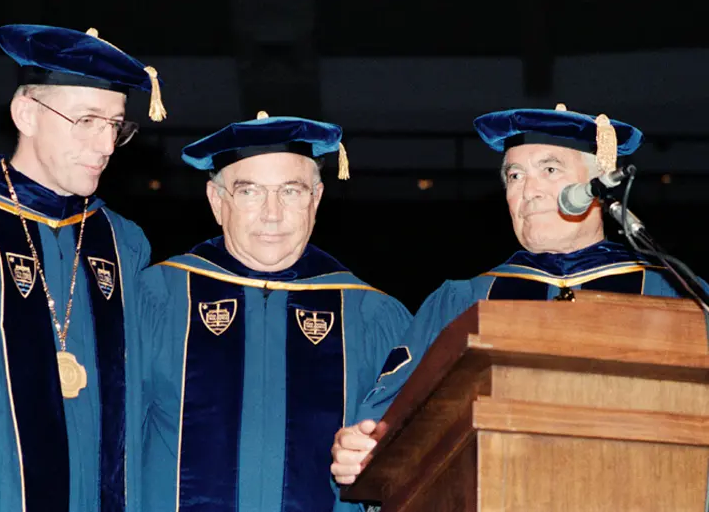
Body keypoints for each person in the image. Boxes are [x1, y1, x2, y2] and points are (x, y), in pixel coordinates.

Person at [329, 103, 709, 498]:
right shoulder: (463, 302)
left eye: (550, 170)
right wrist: (360, 446)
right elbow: (385, 423)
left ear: (597, 189)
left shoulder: (675, 293)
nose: (529, 190)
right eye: (514, 175)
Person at [0, 24, 166, 512]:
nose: (106, 146)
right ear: (26, 113)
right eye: (87, 120)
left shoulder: (121, 240)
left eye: (115, 125)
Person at [135, 112, 413, 512]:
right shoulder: (157, 297)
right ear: (217, 201)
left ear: (315, 199)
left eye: (291, 191)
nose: (272, 214)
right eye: (249, 192)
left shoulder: (374, 316)